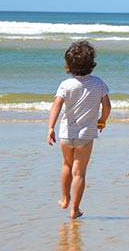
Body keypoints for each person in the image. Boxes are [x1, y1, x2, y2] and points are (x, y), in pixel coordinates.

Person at [47, 40, 111, 219]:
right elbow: (107, 105)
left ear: (67, 65)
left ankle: (64, 198)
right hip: (86, 135)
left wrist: (51, 127)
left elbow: (56, 106)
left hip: (66, 134)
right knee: (80, 172)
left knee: (66, 164)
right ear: (92, 64)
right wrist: (102, 121)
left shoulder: (66, 85)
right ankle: (75, 209)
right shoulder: (98, 83)